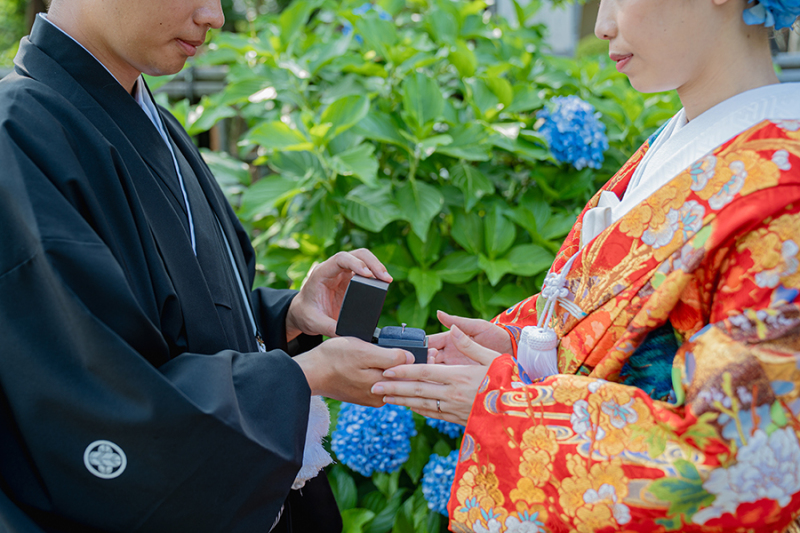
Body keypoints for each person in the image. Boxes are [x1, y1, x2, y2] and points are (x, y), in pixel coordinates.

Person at [374, 0, 800, 530]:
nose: (603, 26)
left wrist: (509, 405)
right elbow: (623, 326)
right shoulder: (686, 142)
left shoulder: (785, 189)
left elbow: (740, 466)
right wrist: (520, 349)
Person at [0, 1, 415, 532]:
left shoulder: (153, 122)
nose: (215, 16)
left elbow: (179, 316)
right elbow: (88, 391)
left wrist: (286, 316)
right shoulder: (19, 132)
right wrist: (304, 375)